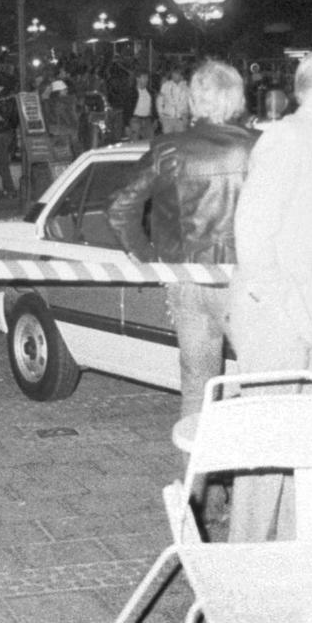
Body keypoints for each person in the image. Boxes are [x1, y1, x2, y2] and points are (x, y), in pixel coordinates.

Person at [226, 49, 312, 542]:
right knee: (267, 456)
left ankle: (294, 564)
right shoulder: (288, 139)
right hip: (277, 322)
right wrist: (300, 319)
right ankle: (245, 569)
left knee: (304, 452)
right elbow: (254, 241)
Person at [107, 59, 257, 421]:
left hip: (186, 280)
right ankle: (254, 471)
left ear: (193, 100)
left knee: (197, 383)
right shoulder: (259, 149)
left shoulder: (169, 149)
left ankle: (198, 473)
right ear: (237, 98)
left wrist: (149, 257)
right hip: (245, 282)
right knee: (261, 382)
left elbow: (119, 207)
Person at [157, 67, 190, 135]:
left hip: (180, 119)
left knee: (180, 141)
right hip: (167, 119)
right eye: (173, 73)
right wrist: (160, 115)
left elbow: (189, 103)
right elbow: (159, 101)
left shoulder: (187, 87)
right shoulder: (166, 85)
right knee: (166, 140)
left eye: (176, 74)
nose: (174, 75)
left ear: (181, 76)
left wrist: (186, 116)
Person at [127, 70, 156, 141]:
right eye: (144, 77)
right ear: (138, 78)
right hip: (135, 120)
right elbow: (126, 108)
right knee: (135, 142)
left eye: (147, 78)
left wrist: (155, 119)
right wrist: (126, 125)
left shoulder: (150, 92)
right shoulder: (131, 92)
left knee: (150, 142)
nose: (147, 79)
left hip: (147, 120)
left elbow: (153, 107)